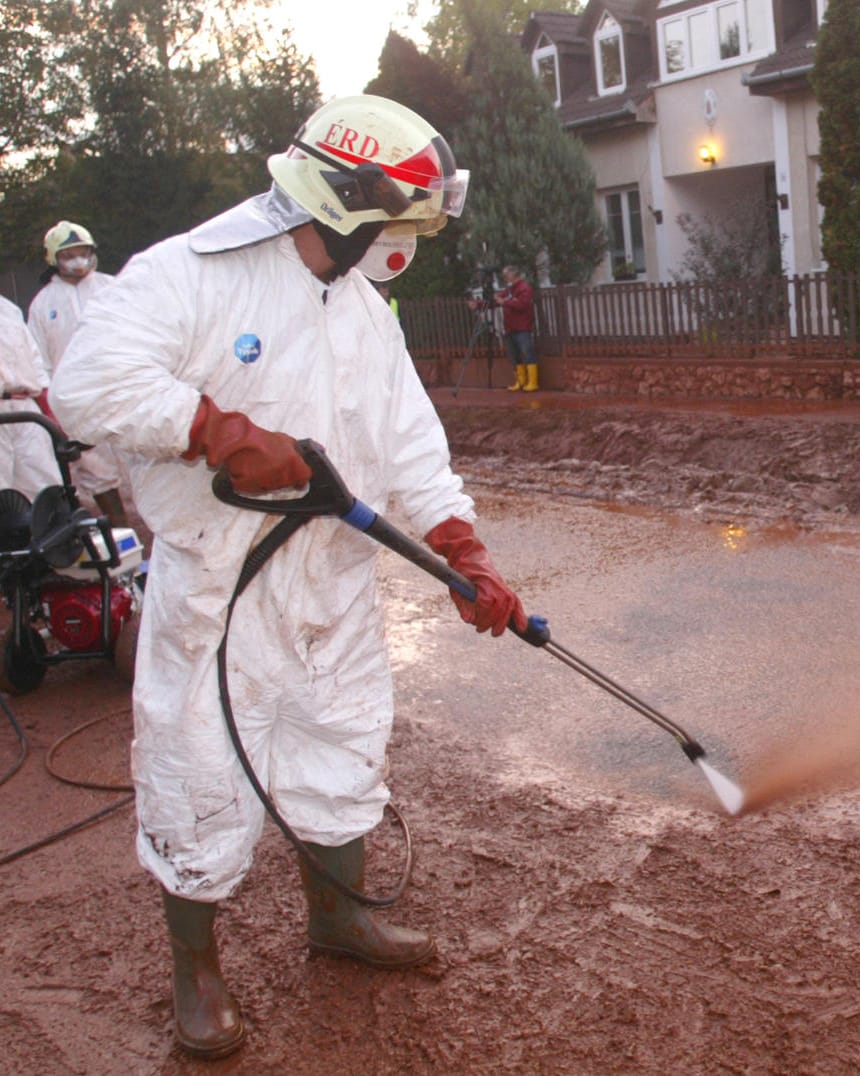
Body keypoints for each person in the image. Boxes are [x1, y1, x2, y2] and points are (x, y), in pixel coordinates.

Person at [50, 95, 525, 1060]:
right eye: (400, 218)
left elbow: (408, 443)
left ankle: (338, 918)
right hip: (219, 594)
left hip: (336, 584)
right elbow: (88, 384)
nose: (407, 241)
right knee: (198, 773)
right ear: (347, 200)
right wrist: (214, 431)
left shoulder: (361, 309)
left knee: (342, 749)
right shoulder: (187, 275)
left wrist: (461, 549)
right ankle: (197, 970)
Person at [26, 220, 133, 525]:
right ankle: (121, 542)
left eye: (82, 252)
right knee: (100, 475)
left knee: (142, 467)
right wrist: (52, 411)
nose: (77, 260)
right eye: (68, 254)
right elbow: (40, 362)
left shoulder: (114, 288)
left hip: (123, 392)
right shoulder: (43, 304)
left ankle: (160, 545)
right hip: (78, 403)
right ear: (53, 259)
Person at [0, 296, 61, 498]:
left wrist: (48, 411)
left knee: (45, 485)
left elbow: (35, 360)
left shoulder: (8, 309)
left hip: (26, 409)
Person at [495, 263, 537, 391]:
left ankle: (533, 382)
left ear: (513, 274)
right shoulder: (510, 289)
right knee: (515, 356)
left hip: (522, 327)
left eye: (506, 275)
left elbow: (522, 305)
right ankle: (520, 381)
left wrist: (505, 302)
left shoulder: (524, 288)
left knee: (527, 353)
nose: (505, 278)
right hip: (510, 328)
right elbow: (500, 298)